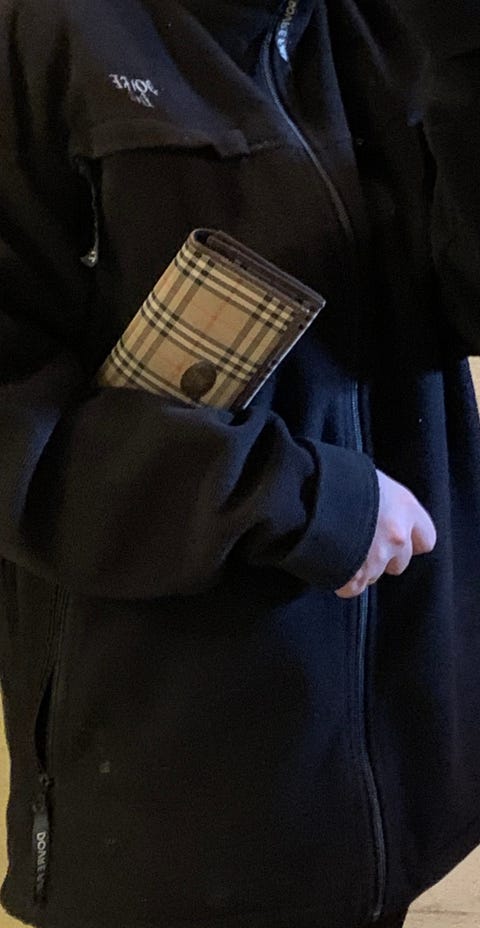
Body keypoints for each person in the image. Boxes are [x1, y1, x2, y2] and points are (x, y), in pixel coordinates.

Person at [0, 1, 479, 927]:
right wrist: (300, 499)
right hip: (171, 798)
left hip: (397, 778)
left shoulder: (400, 24)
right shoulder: (46, 29)